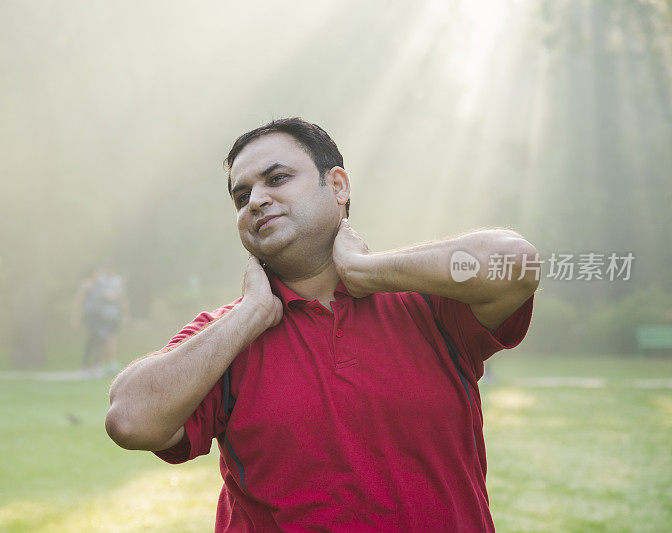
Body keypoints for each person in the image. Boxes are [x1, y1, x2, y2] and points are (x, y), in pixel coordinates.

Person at [106, 117, 540, 531]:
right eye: (242, 197)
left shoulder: (427, 306)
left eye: (276, 179)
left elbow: (516, 262)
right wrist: (253, 313)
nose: (255, 200)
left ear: (337, 186)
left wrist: (366, 270)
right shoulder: (226, 335)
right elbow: (129, 419)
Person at [93, 262, 130, 376]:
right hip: (102, 315)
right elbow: (107, 296)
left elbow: (123, 299)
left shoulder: (117, 281)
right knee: (102, 340)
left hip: (113, 315)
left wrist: (125, 315)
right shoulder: (100, 281)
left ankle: (112, 364)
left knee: (112, 339)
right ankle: (99, 365)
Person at [71, 267, 104, 377]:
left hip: (99, 315)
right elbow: (78, 301)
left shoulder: (99, 285)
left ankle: (97, 365)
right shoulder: (85, 285)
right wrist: (76, 318)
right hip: (89, 315)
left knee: (98, 339)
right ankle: (86, 366)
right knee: (93, 338)